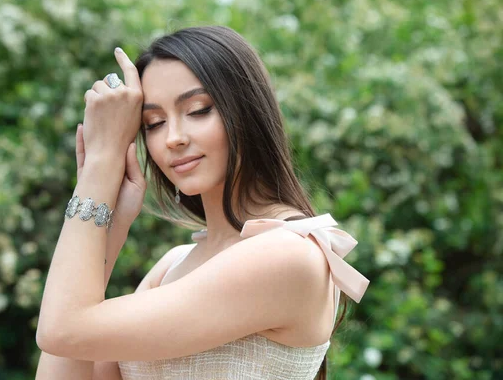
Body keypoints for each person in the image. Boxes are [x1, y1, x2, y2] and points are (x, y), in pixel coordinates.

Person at [35, 25, 369, 380]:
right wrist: (111, 221)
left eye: (197, 110)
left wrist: (100, 166)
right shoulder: (171, 266)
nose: (173, 138)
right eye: (154, 123)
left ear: (247, 111)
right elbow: (64, 352)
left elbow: (62, 331)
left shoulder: (288, 255)